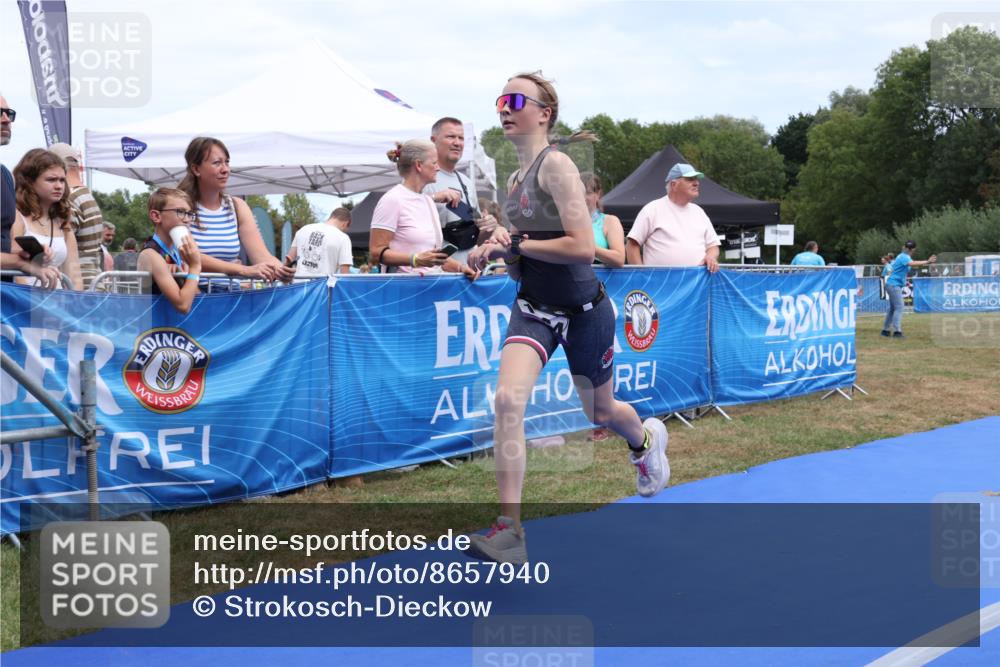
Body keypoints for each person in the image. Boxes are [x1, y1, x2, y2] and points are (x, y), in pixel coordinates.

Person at [464, 71, 670, 564]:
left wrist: (515, 242)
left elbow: (581, 249)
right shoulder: (515, 181)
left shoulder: (557, 167)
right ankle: (509, 530)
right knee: (507, 401)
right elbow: (522, 261)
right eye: (501, 99)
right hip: (533, 309)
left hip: (584, 313)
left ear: (544, 112)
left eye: (516, 99)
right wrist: (494, 252)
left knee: (599, 414)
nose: (504, 108)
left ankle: (644, 440)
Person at [178, 137, 293, 285]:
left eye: (227, 162)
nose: (225, 169)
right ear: (196, 169)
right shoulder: (180, 205)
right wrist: (241, 269)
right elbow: (189, 255)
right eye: (217, 163)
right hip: (194, 299)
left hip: (229, 297)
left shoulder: (237, 206)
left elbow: (261, 255)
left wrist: (281, 270)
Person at [369, 139, 478, 279]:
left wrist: (461, 268)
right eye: (434, 163)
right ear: (419, 165)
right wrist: (415, 259)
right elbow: (375, 253)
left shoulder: (427, 200)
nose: (438, 168)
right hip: (402, 289)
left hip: (429, 288)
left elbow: (432, 257)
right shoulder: (392, 200)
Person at [1, 96, 61, 287]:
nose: (6, 119)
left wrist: (27, 254)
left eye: (9, 113)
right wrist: (20, 263)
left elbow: (5, 241)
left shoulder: (6, 176)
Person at [423, 117, 499, 263]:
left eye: (461, 138)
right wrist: (433, 197)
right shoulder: (422, 176)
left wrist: (487, 227)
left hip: (467, 272)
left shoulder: (466, 182)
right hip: (436, 273)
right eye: (451, 137)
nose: (457, 143)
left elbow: (475, 237)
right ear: (433, 140)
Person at [625, 162, 720, 272]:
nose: (696, 183)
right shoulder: (652, 209)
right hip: (660, 284)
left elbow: (713, 246)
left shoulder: (699, 212)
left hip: (696, 284)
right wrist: (641, 275)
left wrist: (711, 257)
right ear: (674, 185)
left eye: (696, 179)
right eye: (690, 179)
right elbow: (632, 244)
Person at [10, 149, 83, 289]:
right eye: (51, 179)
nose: (59, 186)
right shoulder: (17, 217)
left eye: (62, 180)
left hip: (59, 303)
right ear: (29, 181)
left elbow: (74, 274)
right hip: (26, 302)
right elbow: (17, 273)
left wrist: (77, 305)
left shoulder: (62, 220)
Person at [48, 142, 105, 287]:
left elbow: (64, 246)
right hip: (94, 280)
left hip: (78, 285)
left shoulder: (69, 199)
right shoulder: (86, 195)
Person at [137, 187, 202, 313]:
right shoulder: (150, 254)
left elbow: (197, 297)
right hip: (154, 328)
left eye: (189, 213)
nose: (187, 219)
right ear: (156, 216)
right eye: (180, 212)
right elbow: (183, 306)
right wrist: (195, 267)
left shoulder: (178, 252)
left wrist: (186, 275)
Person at [882, 240, 936, 339]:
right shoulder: (904, 257)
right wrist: (927, 261)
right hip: (893, 285)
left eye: (910, 248)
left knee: (893, 309)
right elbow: (912, 264)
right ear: (907, 248)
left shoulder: (903, 256)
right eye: (908, 248)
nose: (909, 249)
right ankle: (897, 332)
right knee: (900, 307)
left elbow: (908, 266)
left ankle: (885, 330)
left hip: (892, 284)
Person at [285, 207, 354, 278]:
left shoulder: (304, 229)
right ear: (345, 224)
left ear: (331, 217)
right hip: (323, 287)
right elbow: (345, 275)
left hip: (299, 285)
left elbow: (289, 260)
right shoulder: (343, 238)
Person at [581, 172, 625, 268]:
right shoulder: (563, 222)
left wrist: (588, 247)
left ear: (598, 194)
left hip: (598, 280)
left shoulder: (609, 221)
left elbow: (619, 259)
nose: (583, 198)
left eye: (588, 193)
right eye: (579, 193)